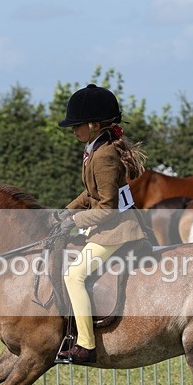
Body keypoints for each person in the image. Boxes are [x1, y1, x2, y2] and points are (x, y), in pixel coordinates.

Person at [54, 84, 148, 365]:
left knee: (74, 275)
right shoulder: (96, 148)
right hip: (108, 226)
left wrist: (73, 220)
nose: (73, 130)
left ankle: (85, 344)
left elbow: (106, 207)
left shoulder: (105, 154)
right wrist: (64, 212)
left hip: (116, 229)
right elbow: (91, 194)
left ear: (94, 125)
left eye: (77, 125)